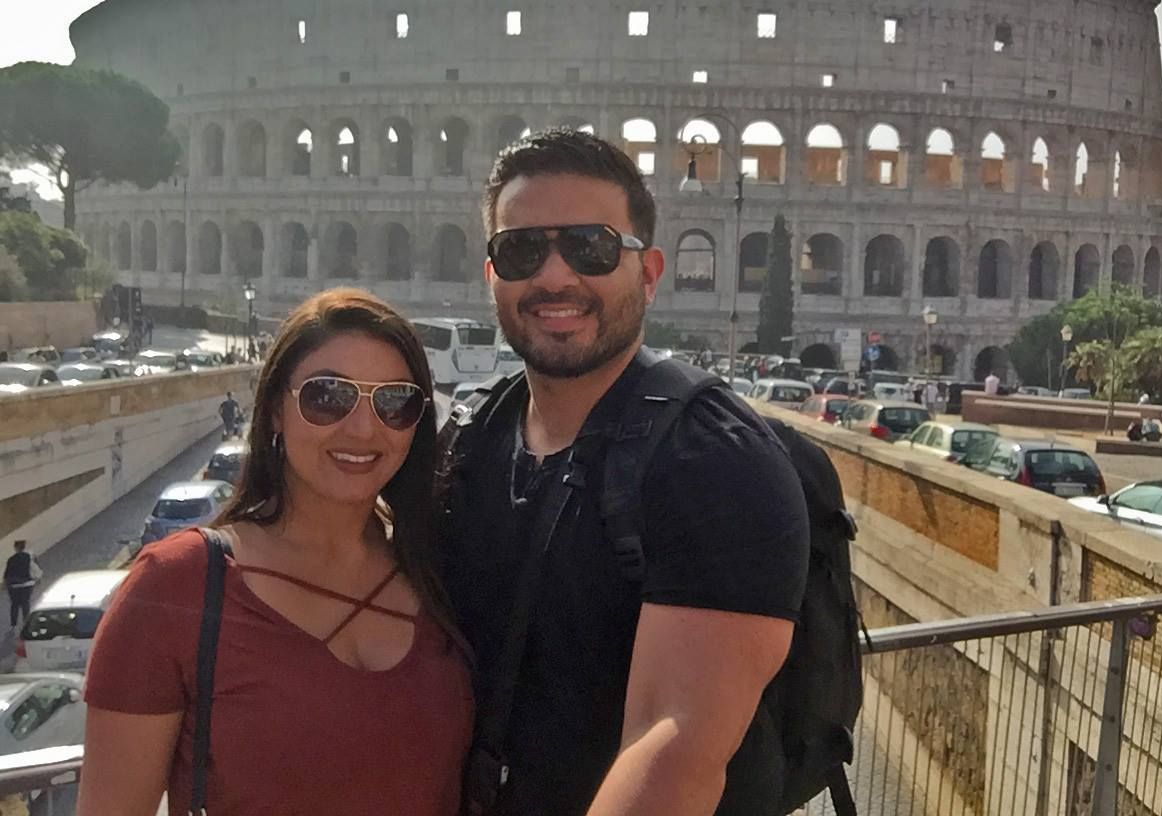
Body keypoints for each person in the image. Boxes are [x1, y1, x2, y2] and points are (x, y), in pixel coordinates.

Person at [435, 130, 809, 816]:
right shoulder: (472, 437)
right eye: (522, 250)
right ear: (493, 276)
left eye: (590, 247)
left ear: (648, 271)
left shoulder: (714, 460)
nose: (554, 277)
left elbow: (674, 755)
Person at [79, 288, 472, 815]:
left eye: (393, 402)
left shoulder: (441, 567)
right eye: (327, 396)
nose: (362, 427)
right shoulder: (174, 588)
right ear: (274, 413)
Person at [3, 540, 41, 632]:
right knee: (25, 603)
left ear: (15, 548)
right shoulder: (30, 557)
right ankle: (26, 622)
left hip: (14, 586)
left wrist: (5, 584)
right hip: (27, 584)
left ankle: (13, 624)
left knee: (14, 604)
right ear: (24, 547)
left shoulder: (11, 559)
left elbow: (7, 574)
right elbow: (37, 569)